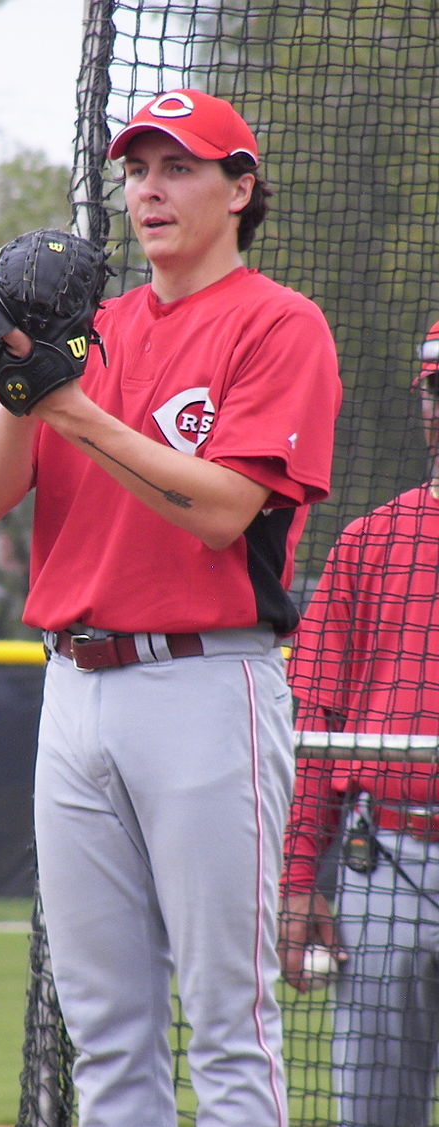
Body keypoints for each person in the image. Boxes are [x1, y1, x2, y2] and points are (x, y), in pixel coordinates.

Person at [0, 88, 341, 1127]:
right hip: (74, 688)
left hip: (205, 683)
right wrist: (19, 382)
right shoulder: (94, 331)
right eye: (136, 169)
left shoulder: (278, 323)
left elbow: (220, 513)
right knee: (105, 1029)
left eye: (178, 166)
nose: (149, 190)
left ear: (240, 187)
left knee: (226, 1021)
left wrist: (68, 408)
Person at [279, 320, 439, 1127]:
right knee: (374, 1115)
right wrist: (300, 878)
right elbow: (318, 726)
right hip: (392, 861)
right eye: (437, 387)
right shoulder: (368, 543)